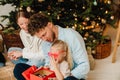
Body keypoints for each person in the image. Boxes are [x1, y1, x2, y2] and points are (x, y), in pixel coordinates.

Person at [13, 13, 90, 80]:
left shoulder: (71, 35)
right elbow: (48, 62)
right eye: (40, 37)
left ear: (50, 25)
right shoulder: (45, 43)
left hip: (70, 76)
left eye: (44, 34)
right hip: (54, 75)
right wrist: (45, 70)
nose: (44, 39)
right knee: (19, 68)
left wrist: (63, 77)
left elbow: (84, 65)